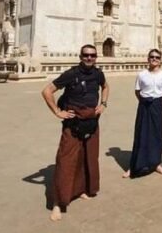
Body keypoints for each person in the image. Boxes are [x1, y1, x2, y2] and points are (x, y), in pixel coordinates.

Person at [41, 44, 110, 221]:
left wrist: (103, 104)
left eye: (92, 55)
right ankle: (58, 202)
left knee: (88, 156)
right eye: (86, 55)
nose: (89, 58)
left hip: (91, 121)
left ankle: (80, 189)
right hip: (73, 122)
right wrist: (57, 112)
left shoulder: (98, 73)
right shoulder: (71, 74)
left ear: (96, 57)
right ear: (80, 56)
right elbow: (47, 91)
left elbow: (105, 87)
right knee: (66, 160)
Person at [123, 49, 162, 178]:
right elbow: (137, 91)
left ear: (160, 60)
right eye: (152, 57)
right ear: (148, 59)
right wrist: (144, 101)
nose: (154, 59)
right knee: (141, 133)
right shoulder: (141, 74)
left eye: (157, 57)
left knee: (157, 134)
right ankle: (133, 166)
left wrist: (156, 102)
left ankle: (156, 163)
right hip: (144, 105)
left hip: (157, 105)